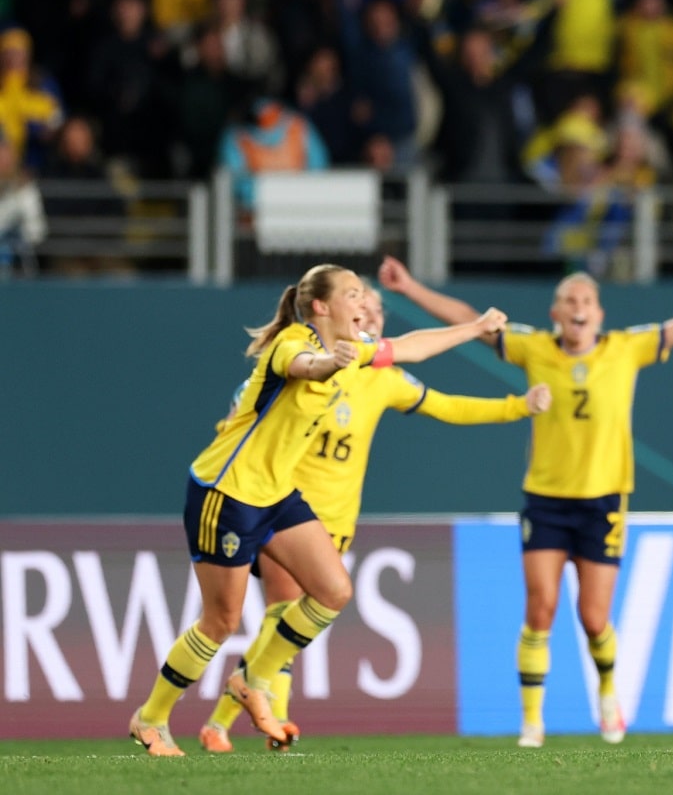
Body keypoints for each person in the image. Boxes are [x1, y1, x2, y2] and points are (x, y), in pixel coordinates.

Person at [379, 255, 673, 748]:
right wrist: (411, 287)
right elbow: (468, 319)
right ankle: (532, 723)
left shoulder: (624, 349)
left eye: (586, 300)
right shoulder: (534, 348)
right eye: (569, 300)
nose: (578, 307)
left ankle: (608, 694)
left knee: (594, 618)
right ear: (556, 312)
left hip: (604, 502)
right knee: (540, 608)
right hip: (546, 498)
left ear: (599, 313)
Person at [129, 263, 507, 756]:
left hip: (275, 494)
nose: (364, 304)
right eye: (353, 294)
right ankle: (151, 718)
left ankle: (254, 680)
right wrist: (331, 363)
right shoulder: (293, 343)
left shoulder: (357, 352)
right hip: (227, 493)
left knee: (332, 590)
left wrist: (475, 328)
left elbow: (413, 345)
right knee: (221, 622)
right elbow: (304, 366)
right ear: (321, 306)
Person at [198, 284, 551, 753]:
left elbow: (447, 406)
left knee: (292, 626)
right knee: (282, 610)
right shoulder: (312, 362)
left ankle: (220, 721)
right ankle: (275, 723)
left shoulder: (385, 378)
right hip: (284, 509)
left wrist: (517, 407)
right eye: (362, 306)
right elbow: (251, 407)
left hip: (338, 521)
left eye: (378, 309)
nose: (370, 314)